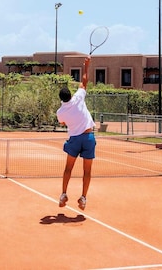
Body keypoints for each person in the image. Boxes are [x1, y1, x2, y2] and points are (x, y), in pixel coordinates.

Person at [56, 56, 96, 210]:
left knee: (68, 168)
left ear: (61, 99)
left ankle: (63, 194)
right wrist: (86, 65)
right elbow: (84, 81)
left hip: (74, 139)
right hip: (88, 138)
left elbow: (63, 123)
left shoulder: (60, 112)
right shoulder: (79, 97)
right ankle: (84, 198)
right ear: (71, 94)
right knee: (87, 171)